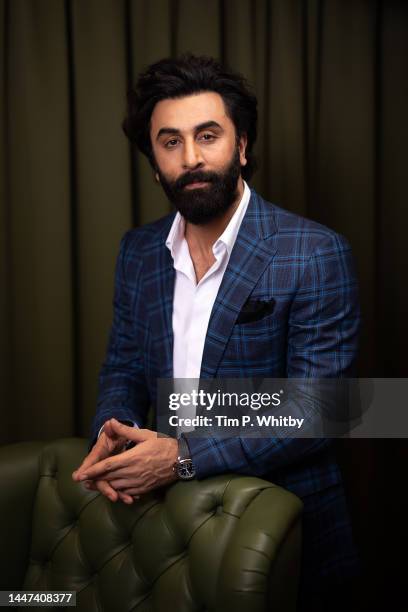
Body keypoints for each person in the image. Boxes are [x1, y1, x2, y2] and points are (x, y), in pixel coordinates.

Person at [72, 54, 361, 610]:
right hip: (168, 529)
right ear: (154, 162)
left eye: (208, 135)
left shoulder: (314, 251)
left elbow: (323, 408)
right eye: (171, 142)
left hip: (283, 529)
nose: (194, 158)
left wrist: (181, 455)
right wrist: (115, 432)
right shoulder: (138, 252)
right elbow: (124, 368)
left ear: (242, 147)